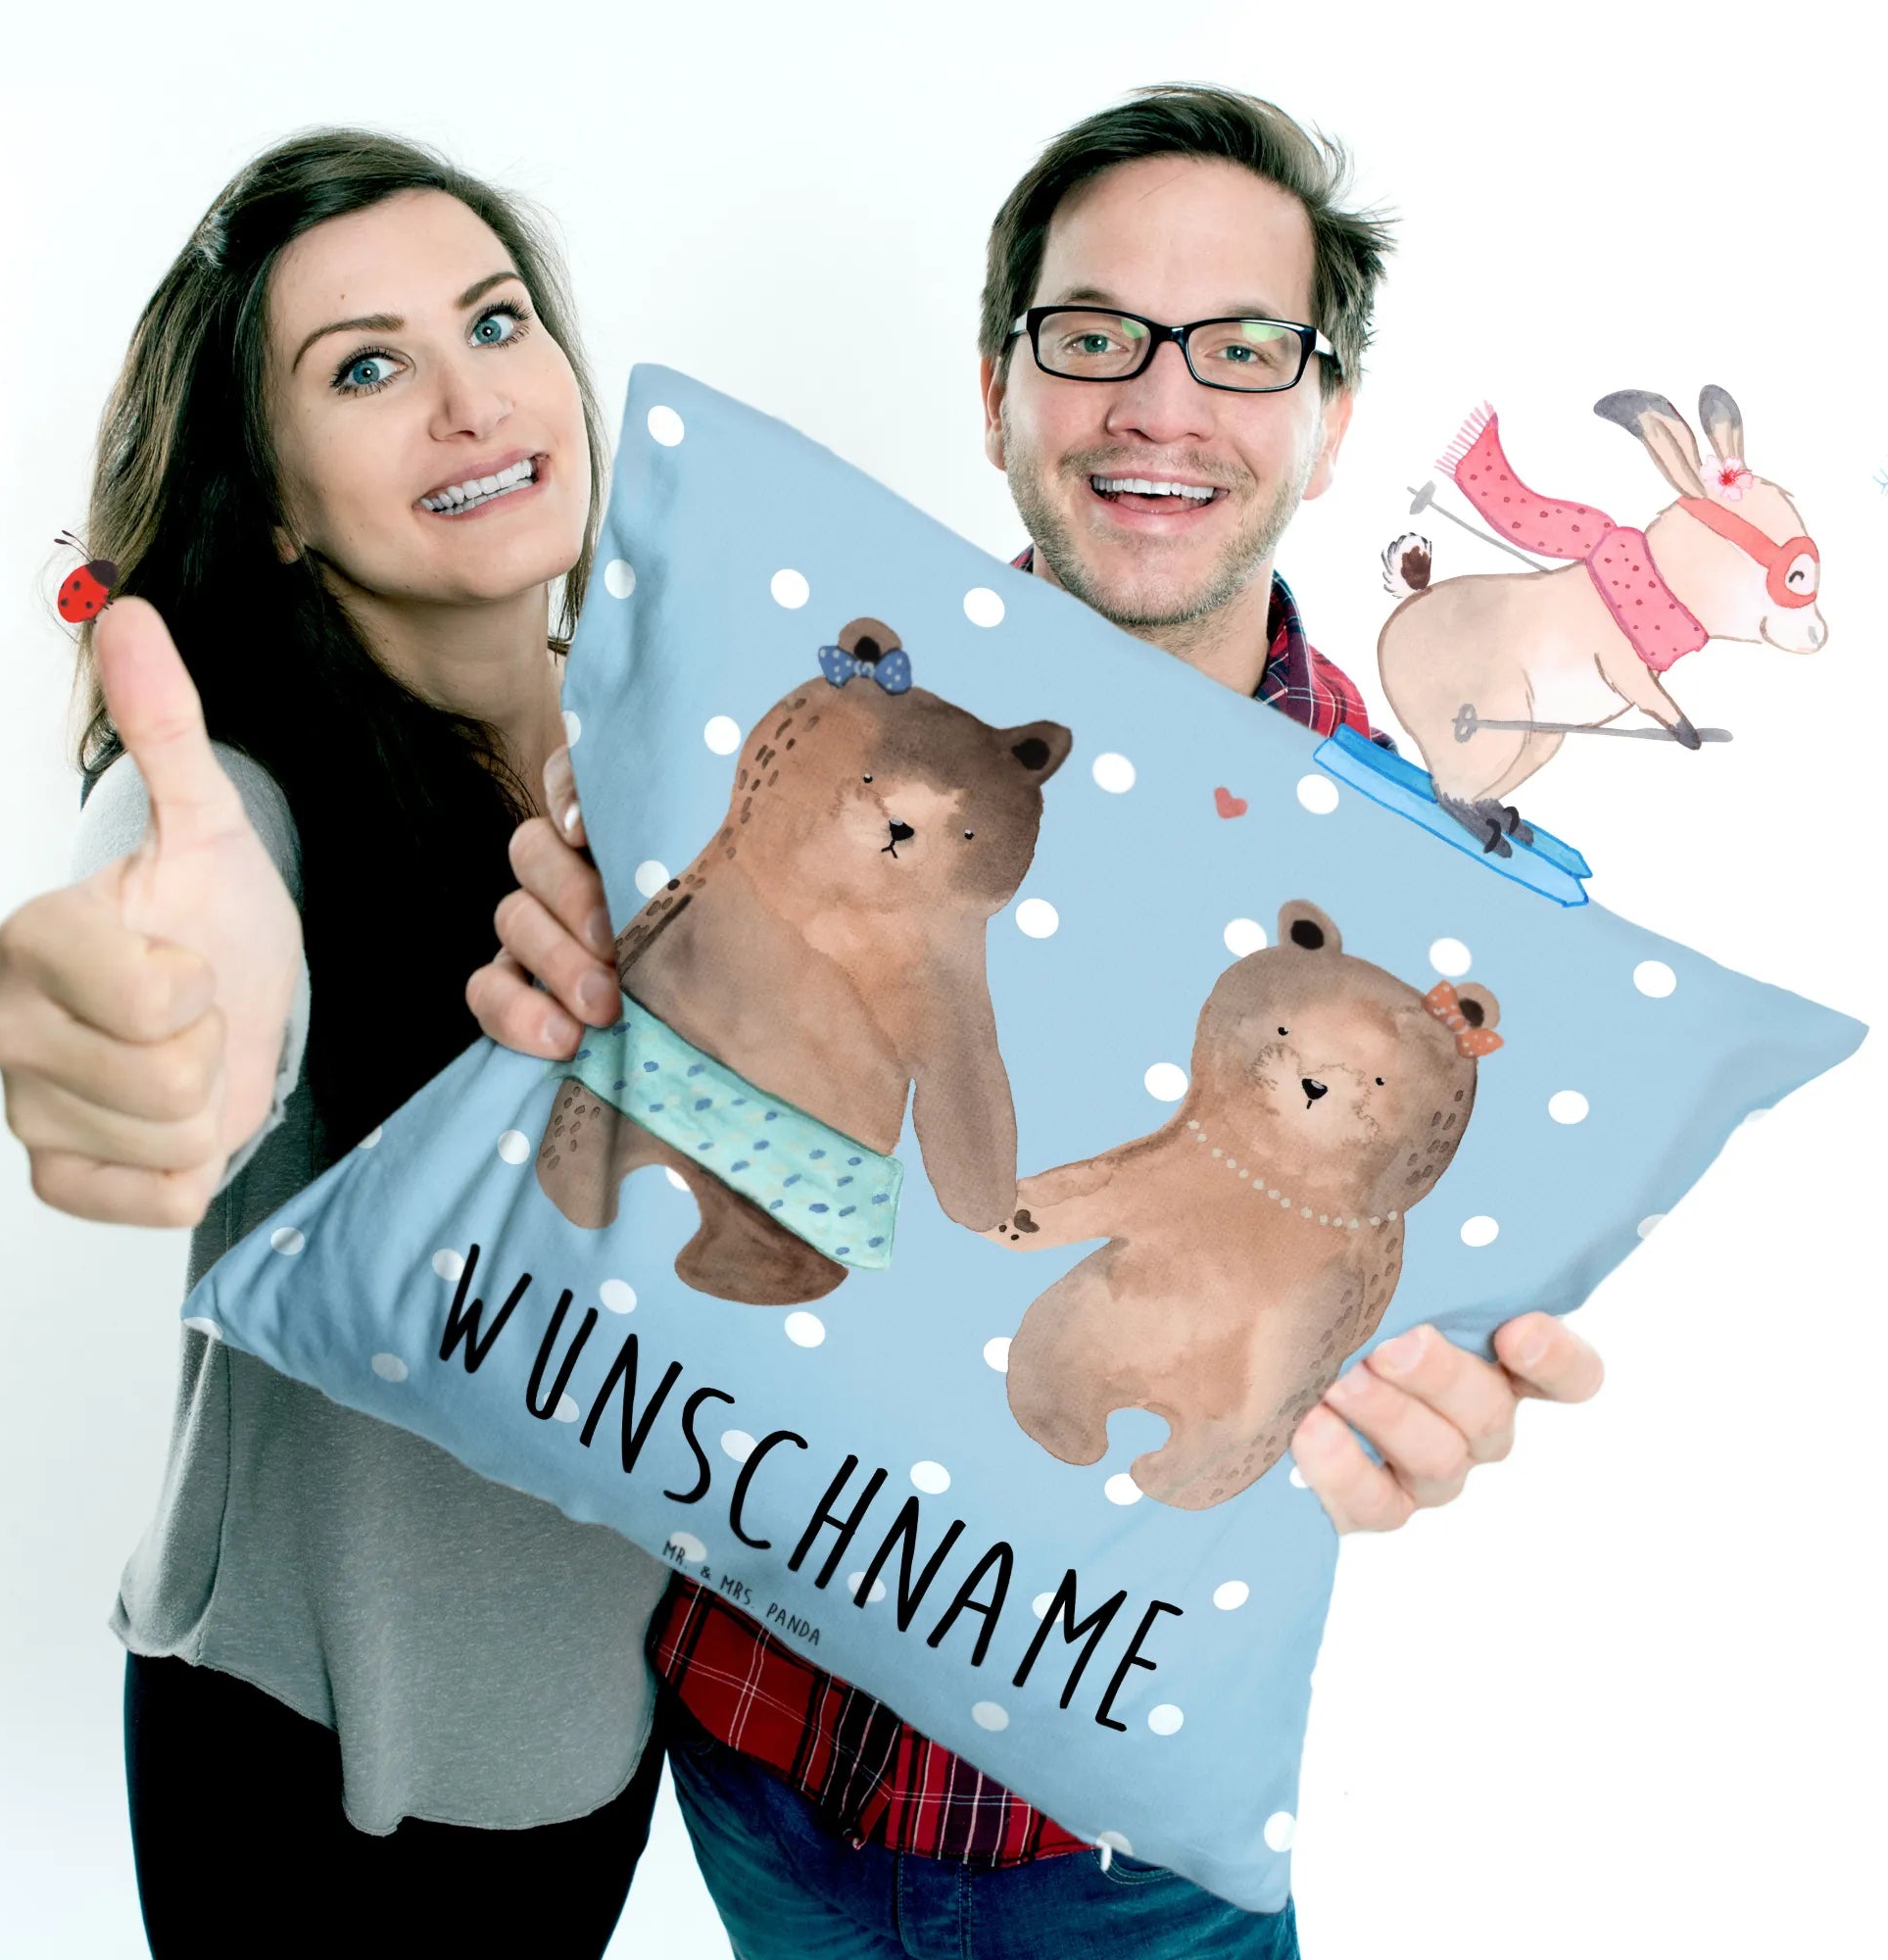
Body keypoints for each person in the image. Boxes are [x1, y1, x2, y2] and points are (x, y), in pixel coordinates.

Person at [469, 85, 1607, 1958]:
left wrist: (1421, 1411)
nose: (1162, 404)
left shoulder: (1431, 905)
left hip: (1127, 1855)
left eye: (1244, 348)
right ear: (997, 390)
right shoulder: (775, 711)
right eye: (1095, 337)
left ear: (1329, 425)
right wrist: (562, 1007)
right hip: (748, 1768)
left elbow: (1368, 1316)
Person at [0, 132, 667, 1955]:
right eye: (365, 368)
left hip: (597, 1735)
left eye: (495, 322)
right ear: (275, 503)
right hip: (312, 1766)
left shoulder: (679, 758)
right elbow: (186, 913)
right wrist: (154, 1014)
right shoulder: (241, 793)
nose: (468, 400)